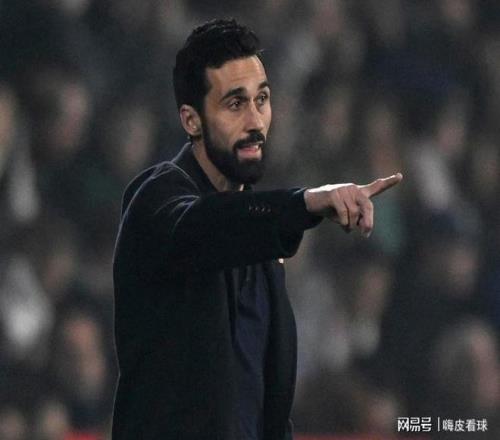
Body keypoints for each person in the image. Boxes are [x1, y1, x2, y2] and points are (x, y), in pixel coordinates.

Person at [111, 18, 402, 440]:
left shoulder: (263, 244)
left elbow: (264, 403)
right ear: (192, 120)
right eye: (235, 104)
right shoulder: (156, 199)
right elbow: (203, 228)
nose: (255, 121)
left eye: (261, 99)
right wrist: (304, 202)